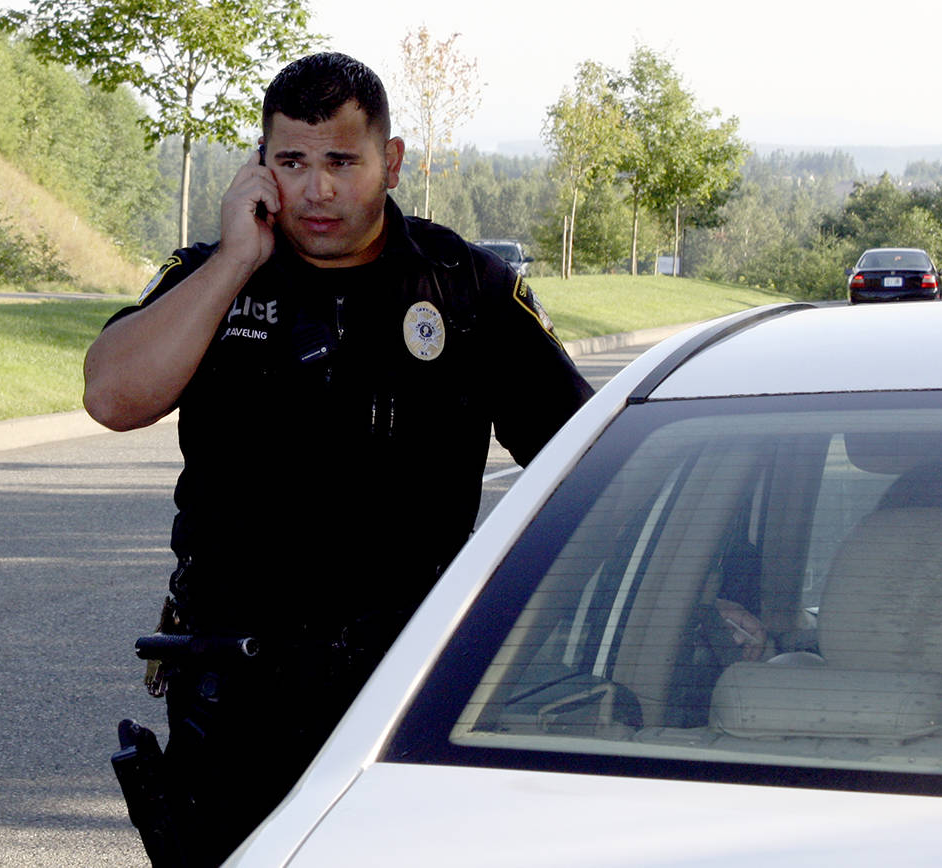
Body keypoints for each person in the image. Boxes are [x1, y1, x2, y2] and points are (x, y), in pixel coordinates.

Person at [84, 52, 593, 864]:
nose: (317, 190)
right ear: (260, 166)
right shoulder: (212, 279)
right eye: (292, 162)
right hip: (235, 690)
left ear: (389, 162)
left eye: (341, 161)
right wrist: (234, 262)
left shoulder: (463, 290)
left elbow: (583, 462)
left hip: (408, 686)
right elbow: (113, 398)